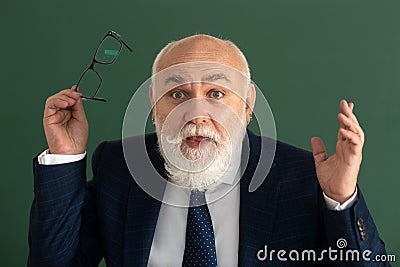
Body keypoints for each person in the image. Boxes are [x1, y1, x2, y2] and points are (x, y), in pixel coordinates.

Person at [28, 34, 389, 266]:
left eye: (216, 94)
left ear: (248, 106)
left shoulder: (300, 175)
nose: (195, 112)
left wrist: (340, 198)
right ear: (154, 106)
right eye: (177, 94)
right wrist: (64, 156)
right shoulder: (119, 167)